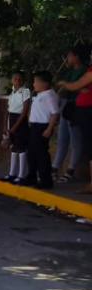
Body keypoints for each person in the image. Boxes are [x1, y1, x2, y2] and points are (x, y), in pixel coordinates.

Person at [53, 46, 87, 183]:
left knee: (75, 139)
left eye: (70, 55)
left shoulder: (84, 71)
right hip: (66, 105)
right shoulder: (70, 71)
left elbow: (75, 87)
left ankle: (70, 170)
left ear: (76, 57)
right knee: (62, 138)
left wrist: (68, 85)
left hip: (76, 106)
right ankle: (54, 168)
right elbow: (62, 85)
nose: (68, 59)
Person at [58, 59, 92, 195]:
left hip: (88, 111)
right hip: (86, 110)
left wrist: (64, 83)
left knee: (90, 146)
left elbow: (75, 85)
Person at [23, 71, 60, 189]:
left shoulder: (49, 96)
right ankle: (31, 176)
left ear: (44, 83)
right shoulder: (40, 95)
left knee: (41, 155)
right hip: (34, 127)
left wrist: (49, 128)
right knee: (32, 153)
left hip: (42, 127)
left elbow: (55, 113)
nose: (34, 84)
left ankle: (45, 180)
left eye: (36, 82)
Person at [0, 72, 30, 184]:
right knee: (13, 146)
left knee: (21, 147)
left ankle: (21, 175)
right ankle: (12, 173)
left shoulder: (25, 91)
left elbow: (25, 110)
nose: (17, 81)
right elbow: (8, 110)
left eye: (19, 79)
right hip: (12, 118)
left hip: (20, 120)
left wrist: (15, 126)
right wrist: (6, 125)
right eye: (15, 78)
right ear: (11, 80)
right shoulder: (12, 91)